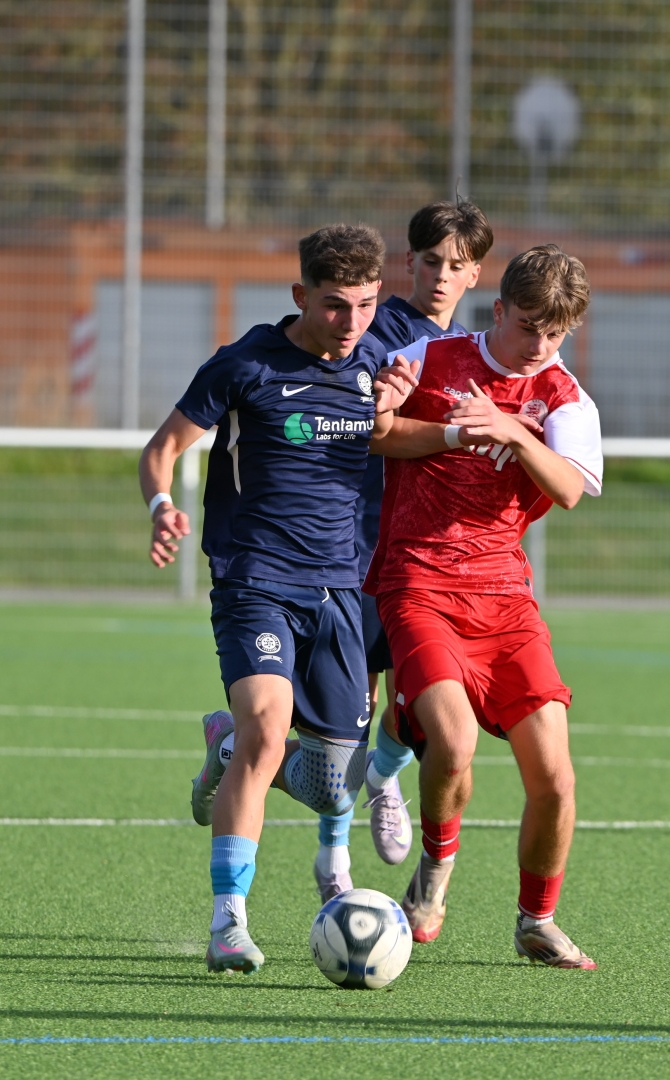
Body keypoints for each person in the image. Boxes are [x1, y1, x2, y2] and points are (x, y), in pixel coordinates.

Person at [139, 224, 416, 974]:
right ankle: (228, 921)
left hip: (341, 589)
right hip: (254, 578)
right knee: (267, 731)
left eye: (365, 304)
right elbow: (162, 447)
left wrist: (422, 419)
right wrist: (161, 505)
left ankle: (223, 746)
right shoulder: (245, 364)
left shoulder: (377, 367)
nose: (351, 321)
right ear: (300, 295)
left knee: (333, 790)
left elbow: (400, 437)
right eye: (334, 305)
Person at [364, 244, 603, 968]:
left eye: (555, 333)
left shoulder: (564, 396)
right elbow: (375, 433)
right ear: (497, 310)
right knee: (454, 741)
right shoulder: (428, 357)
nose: (539, 345)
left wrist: (511, 430)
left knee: (555, 779)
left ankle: (536, 920)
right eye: (527, 326)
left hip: (504, 598)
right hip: (417, 582)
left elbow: (569, 487)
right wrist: (401, 411)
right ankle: (434, 872)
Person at [341, 199, 494, 883]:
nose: (441, 275)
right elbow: (369, 428)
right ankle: (334, 859)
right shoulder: (376, 333)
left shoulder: (469, 351)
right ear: (410, 262)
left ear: (475, 275)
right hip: (354, 537)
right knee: (353, 705)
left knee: (423, 704)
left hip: (424, 549)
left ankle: (383, 776)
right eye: (431, 261)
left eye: (456, 265)